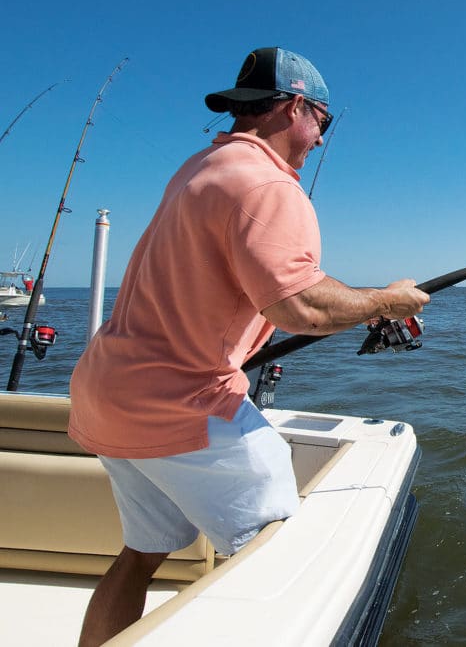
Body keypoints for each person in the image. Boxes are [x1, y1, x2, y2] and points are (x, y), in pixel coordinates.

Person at [68, 47, 429, 646]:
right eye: (323, 121)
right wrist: (384, 301)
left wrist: (349, 308)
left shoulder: (198, 170)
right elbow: (302, 306)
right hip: (181, 406)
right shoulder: (268, 185)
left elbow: (238, 294)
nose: (320, 139)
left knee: (139, 556)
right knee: (277, 560)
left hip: (106, 392)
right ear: (294, 107)